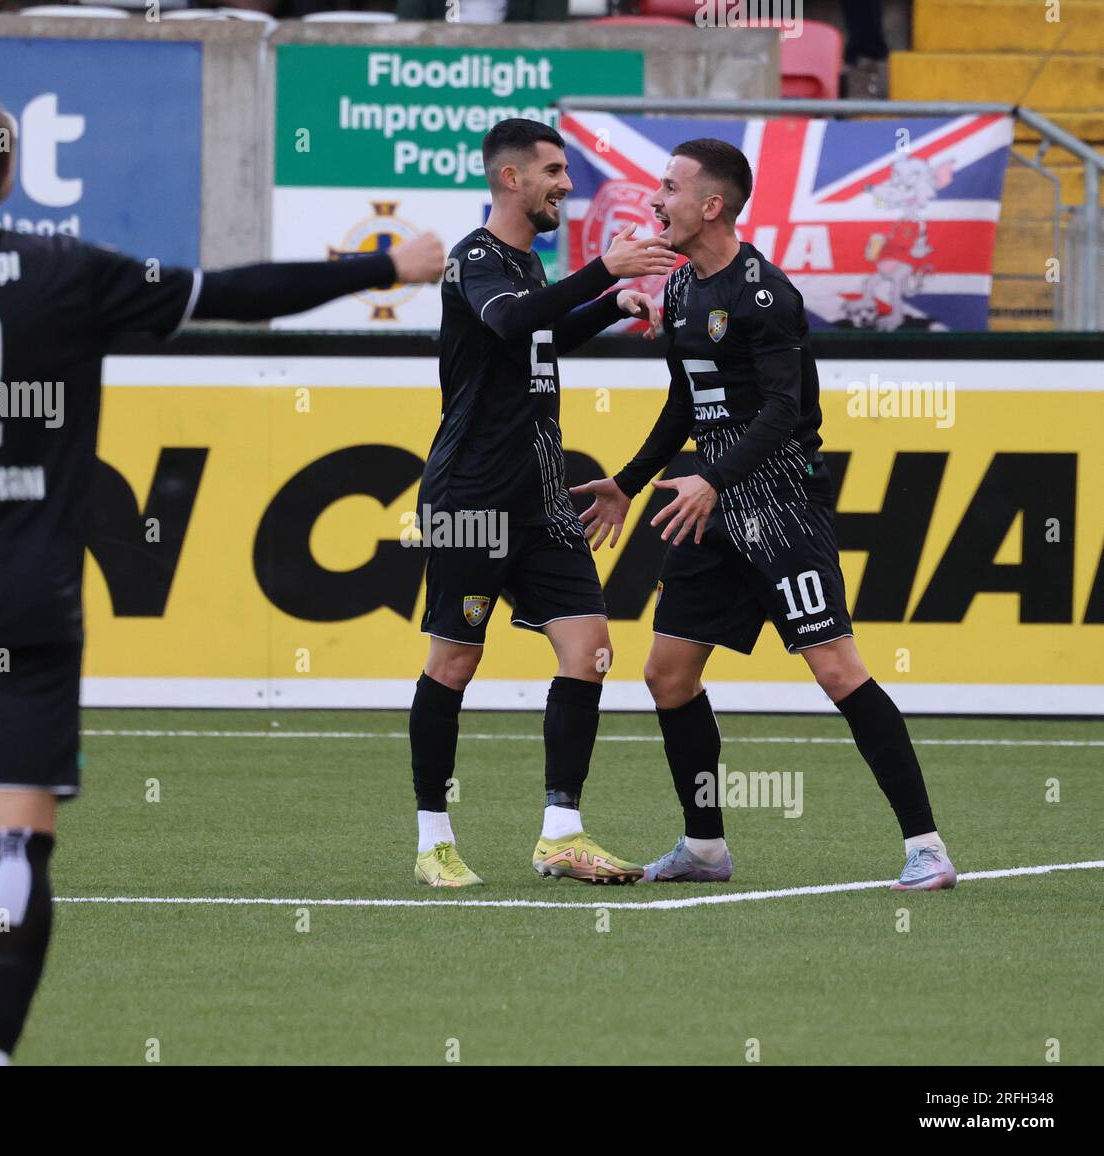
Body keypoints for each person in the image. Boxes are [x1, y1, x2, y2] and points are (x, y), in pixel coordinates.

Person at [0, 91, 445, 1066]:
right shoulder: (71, 272)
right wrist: (382, 266)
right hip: (27, 609)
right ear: (8, 178)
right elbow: (234, 294)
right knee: (14, 844)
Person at [571, 138, 957, 892]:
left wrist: (714, 478)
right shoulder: (681, 291)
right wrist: (626, 480)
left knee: (837, 669)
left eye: (670, 187)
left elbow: (784, 408)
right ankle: (705, 847)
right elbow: (685, 402)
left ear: (711, 205)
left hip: (780, 503)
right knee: (667, 674)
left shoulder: (764, 293)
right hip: (707, 503)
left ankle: (928, 847)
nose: (656, 199)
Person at [410, 118, 675, 888]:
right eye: (554, 171)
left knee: (590, 649)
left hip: (542, 496)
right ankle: (434, 841)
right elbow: (510, 322)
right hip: (473, 496)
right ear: (510, 179)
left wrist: (615, 302)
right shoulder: (475, 261)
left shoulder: (527, 266)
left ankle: (562, 833)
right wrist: (604, 269)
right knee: (455, 661)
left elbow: (540, 338)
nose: (565, 183)